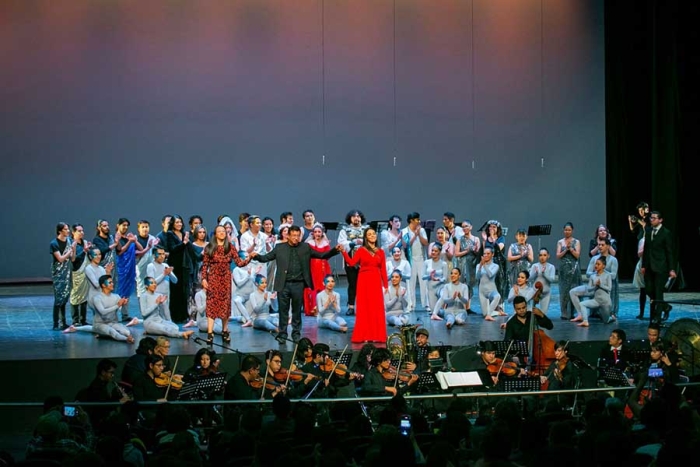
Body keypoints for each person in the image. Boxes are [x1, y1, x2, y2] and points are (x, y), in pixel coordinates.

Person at [252, 225, 340, 344]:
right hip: (283, 284)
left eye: (298, 236)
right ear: (288, 236)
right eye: (293, 235)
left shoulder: (305, 247)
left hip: (298, 284)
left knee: (297, 311)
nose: (296, 238)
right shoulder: (280, 247)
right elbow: (266, 257)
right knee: (283, 311)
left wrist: (335, 250)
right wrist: (256, 256)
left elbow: (322, 255)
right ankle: (282, 334)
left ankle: (296, 334)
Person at [200, 225, 250, 345]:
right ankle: (210, 333)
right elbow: (205, 265)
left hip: (225, 280)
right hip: (213, 279)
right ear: (215, 234)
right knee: (212, 305)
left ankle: (224, 330)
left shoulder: (230, 247)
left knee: (225, 306)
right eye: (219, 231)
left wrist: (249, 258)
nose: (222, 233)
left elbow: (239, 262)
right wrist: (204, 279)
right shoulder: (210, 247)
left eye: (224, 231)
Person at [340, 227, 389, 343]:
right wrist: (343, 252)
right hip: (364, 281)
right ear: (366, 237)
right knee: (364, 307)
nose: (372, 236)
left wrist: (386, 285)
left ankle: (377, 335)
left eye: (373, 234)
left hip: (376, 281)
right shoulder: (361, 251)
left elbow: (383, 270)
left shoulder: (381, 252)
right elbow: (352, 263)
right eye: (369, 234)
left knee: (376, 308)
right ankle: (364, 334)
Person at [75, 359, 130, 432]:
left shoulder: (102, 385)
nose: (112, 376)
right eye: (111, 373)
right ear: (103, 372)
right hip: (98, 423)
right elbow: (103, 406)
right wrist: (120, 401)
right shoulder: (97, 387)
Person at [642, 210, 677, 323]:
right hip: (649, 266)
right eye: (651, 218)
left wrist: (671, 268)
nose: (651, 220)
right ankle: (665, 306)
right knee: (648, 290)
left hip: (661, 266)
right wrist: (643, 265)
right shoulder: (648, 231)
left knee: (658, 292)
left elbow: (669, 252)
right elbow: (646, 249)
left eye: (654, 218)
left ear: (660, 220)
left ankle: (656, 316)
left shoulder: (666, 233)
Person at [338, 209, 370, 315]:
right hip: (350, 261)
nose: (356, 218)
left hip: (365, 261)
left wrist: (364, 242)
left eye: (358, 216)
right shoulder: (345, 230)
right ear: (350, 218)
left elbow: (372, 242)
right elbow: (341, 243)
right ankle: (351, 306)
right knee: (352, 284)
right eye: (354, 216)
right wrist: (353, 242)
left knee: (365, 285)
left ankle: (364, 306)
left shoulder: (366, 229)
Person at [570, 256, 613, 327]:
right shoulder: (592, 276)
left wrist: (600, 285)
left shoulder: (607, 275)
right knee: (582, 304)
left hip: (605, 302)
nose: (596, 265)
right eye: (596, 264)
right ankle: (585, 321)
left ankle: (611, 318)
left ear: (603, 266)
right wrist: (595, 286)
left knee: (606, 321)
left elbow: (609, 289)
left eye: (598, 264)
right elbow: (589, 289)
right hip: (596, 301)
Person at [91, 275, 135, 343]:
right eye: (110, 282)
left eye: (112, 282)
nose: (112, 284)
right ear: (103, 285)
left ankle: (104, 335)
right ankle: (125, 339)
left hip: (112, 323)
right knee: (112, 331)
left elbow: (119, 307)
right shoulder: (97, 298)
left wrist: (123, 303)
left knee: (126, 331)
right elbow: (103, 312)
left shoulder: (116, 296)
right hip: (100, 324)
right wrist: (118, 305)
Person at [304, 224, 332, 317]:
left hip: (323, 268)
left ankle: (324, 309)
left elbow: (328, 255)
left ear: (322, 233)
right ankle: (314, 309)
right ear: (313, 233)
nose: (317, 233)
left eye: (319, 231)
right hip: (312, 268)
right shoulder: (310, 243)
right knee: (313, 288)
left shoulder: (325, 243)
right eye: (315, 232)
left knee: (324, 287)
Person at [114, 218, 139, 323]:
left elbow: (139, 250)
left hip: (129, 268)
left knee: (127, 291)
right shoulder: (116, 237)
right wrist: (130, 241)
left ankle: (125, 315)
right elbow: (120, 252)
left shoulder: (128, 237)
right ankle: (113, 315)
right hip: (120, 268)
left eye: (127, 225)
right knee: (118, 291)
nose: (125, 227)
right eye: (123, 225)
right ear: (118, 225)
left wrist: (134, 240)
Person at [50, 222, 74, 330]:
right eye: (65, 229)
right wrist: (70, 251)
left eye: (68, 229)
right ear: (60, 231)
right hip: (58, 274)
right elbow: (60, 259)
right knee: (58, 299)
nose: (68, 231)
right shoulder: (54, 243)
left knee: (64, 298)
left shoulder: (70, 241)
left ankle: (63, 322)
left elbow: (72, 259)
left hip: (67, 273)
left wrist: (72, 251)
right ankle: (56, 323)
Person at [556, 222, 582, 320]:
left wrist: (570, 248)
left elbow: (577, 255)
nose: (567, 231)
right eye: (566, 230)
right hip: (563, 269)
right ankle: (564, 313)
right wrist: (565, 250)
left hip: (573, 269)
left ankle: (574, 312)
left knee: (573, 289)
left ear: (572, 230)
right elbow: (558, 256)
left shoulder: (576, 241)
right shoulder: (560, 242)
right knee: (563, 290)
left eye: (569, 230)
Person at [481, 220, 509, 311]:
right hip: (489, 263)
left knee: (499, 284)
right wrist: (486, 240)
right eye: (490, 227)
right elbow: (485, 252)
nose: (492, 228)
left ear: (497, 229)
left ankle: (500, 306)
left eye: (494, 227)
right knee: (489, 283)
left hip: (498, 263)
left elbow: (498, 249)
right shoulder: (486, 239)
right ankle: (491, 306)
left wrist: (493, 238)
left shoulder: (501, 238)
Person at [453, 219, 480, 312]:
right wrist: (466, 251)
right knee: (463, 284)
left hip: (472, 264)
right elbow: (456, 253)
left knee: (470, 285)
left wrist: (476, 250)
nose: (464, 228)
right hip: (463, 264)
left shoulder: (476, 239)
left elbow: (478, 253)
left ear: (471, 227)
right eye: (463, 226)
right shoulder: (460, 239)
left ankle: (468, 307)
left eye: (466, 226)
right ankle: (462, 306)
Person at [146, 245, 178, 322]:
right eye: (159, 254)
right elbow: (152, 283)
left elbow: (175, 280)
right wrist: (164, 274)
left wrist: (169, 273)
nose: (162, 256)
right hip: (156, 295)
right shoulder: (151, 266)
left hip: (166, 294)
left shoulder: (165, 265)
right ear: (154, 255)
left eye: (163, 254)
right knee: (158, 317)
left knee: (166, 316)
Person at [69, 224, 90, 327]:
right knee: (75, 295)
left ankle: (83, 319)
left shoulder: (85, 243)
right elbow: (73, 259)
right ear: (73, 232)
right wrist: (84, 251)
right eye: (79, 231)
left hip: (85, 272)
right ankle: (75, 319)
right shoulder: (72, 244)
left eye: (82, 231)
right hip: (76, 272)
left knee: (84, 296)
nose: (82, 233)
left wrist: (89, 250)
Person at [422, 243, 449, 313]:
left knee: (444, 295)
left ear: (439, 252)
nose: (433, 252)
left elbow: (445, 278)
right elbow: (423, 276)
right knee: (434, 311)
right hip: (431, 289)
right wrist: (429, 276)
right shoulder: (427, 262)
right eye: (432, 250)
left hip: (440, 287)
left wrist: (438, 279)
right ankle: (445, 312)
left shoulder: (443, 264)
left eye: (435, 251)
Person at [528, 248, 556, 316]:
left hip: (546, 293)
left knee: (543, 314)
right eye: (540, 255)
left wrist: (544, 274)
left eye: (544, 255)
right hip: (535, 292)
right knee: (531, 312)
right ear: (538, 256)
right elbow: (530, 278)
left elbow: (552, 280)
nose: (542, 257)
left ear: (548, 256)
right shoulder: (535, 266)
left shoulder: (551, 267)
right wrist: (535, 273)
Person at [476, 247, 501, 321]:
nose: (486, 255)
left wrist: (484, 265)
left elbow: (490, 275)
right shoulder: (478, 265)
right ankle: (497, 313)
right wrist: (480, 266)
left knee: (497, 296)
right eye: (484, 254)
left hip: (491, 290)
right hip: (482, 291)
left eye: (488, 253)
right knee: (484, 314)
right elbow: (477, 277)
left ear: (492, 254)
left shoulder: (495, 266)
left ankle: (489, 315)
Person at [506, 228, 534, 295]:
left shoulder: (528, 246)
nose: (522, 238)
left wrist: (526, 254)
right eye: (520, 236)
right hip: (515, 272)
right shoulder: (512, 246)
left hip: (525, 271)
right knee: (515, 291)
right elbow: (509, 258)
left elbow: (531, 259)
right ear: (516, 236)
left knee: (526, 291)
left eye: (523, 236)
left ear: (526, 237)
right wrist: (520, 256)